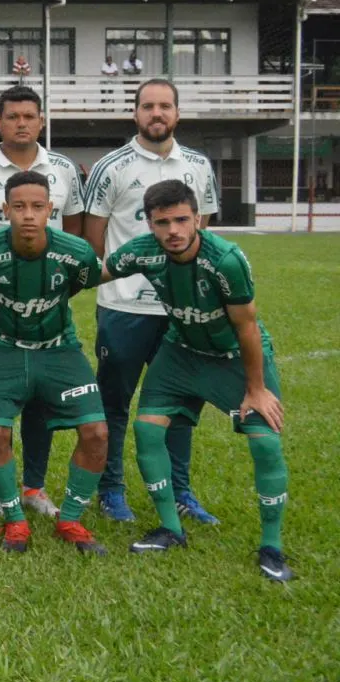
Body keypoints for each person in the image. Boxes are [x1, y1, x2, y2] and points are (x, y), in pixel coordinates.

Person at [106, 180, 292, 582]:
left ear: (197, 219)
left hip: (232, 358)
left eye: (181, 220)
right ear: (150, 224)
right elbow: (91, 274)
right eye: (162, 222)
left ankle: (271, 546)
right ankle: (171, 528)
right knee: (147, 429)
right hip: (180, 352)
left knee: (266, 443)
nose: (172, 230)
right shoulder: (145, 252)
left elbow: (247, 326)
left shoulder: (224, 259)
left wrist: (256, 389)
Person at [83, 78, 221, 524]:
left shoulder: (198, 165)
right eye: (148, 106)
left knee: (179, 403)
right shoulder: (112, 166)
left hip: (181, 310)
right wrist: (117, 283)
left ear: (177, 113)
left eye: (164, 106)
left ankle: (181, 491)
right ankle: (111, 490)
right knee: (115, 403)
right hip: (125, 307)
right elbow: (94, 240)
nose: (156, 114)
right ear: (135, 113)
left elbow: (206, 234)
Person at [0, 86, 85, 518]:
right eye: (12, 116)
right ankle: (0, 490)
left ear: (41, 121)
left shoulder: (63, 169)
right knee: (4, 392)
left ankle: (34, 486)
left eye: (29, 115)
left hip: (48, 298)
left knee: (41, 396)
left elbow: (76, 233)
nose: (21, 123)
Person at [0, 171, 108, 555]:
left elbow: (77, 284)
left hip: (59, 347)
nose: (29, 215)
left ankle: (71, 519)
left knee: (96, 431)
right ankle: (14, 522)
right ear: (5, 209)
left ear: (51, 210)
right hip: (2, 347)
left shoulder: (76, 252)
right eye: (20, 207)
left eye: (38, 207)